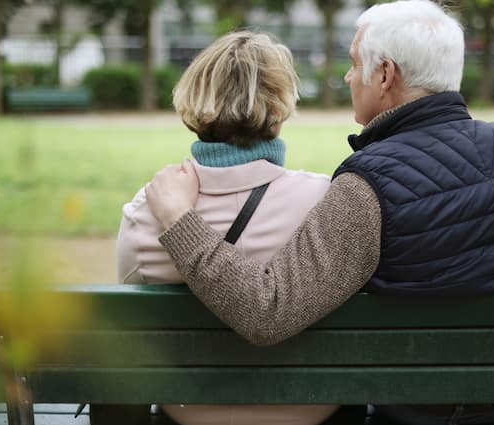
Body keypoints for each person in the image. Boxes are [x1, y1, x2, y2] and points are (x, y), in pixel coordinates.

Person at [145, 0, 494, 424]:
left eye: (352, 63)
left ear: (384, 74)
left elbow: (266, 312)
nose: (347, 77)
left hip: (412, 409)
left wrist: (180, 219)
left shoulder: (368, 185)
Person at [116, 31, 338, 425]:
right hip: (308, 409)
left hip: (187, 411)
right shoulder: (324, 203)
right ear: (280, 105)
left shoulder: (144, 213)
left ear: (195, 100)